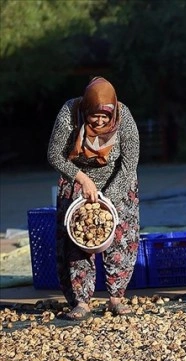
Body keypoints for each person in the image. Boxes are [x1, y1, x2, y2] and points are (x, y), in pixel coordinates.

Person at [47, 76, 140, 319]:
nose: (99, 120)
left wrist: (109, 198)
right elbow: (55, 155)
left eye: (105, 116)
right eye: (94, 115)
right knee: (78, 239)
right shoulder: (70, 112)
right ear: (85, 108)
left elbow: (129, 162)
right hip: (78, 179)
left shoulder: (124, 115)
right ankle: (82, 301)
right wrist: (82, 179)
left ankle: (116, 298)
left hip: (116, 181)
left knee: (120, 238)